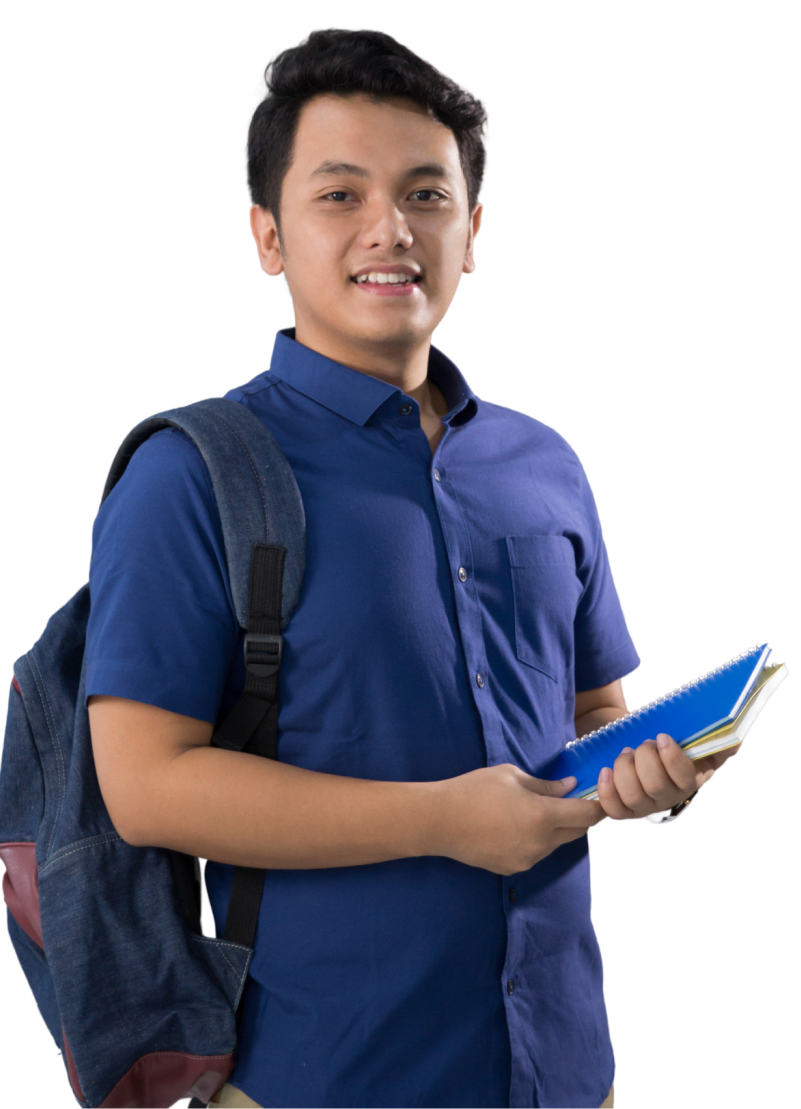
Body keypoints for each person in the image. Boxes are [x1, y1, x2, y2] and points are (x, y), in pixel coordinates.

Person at [88, 27, 740, 1109]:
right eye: (340, 194)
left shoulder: (546, 462)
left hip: (568, 1068)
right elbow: (145, 783)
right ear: (267, 236)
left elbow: (592, 714)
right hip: (318, 1075)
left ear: (473, 232)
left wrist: (650, 782)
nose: (391, 229)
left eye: (427, 195)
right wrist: (445, 817)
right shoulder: (192, 473)